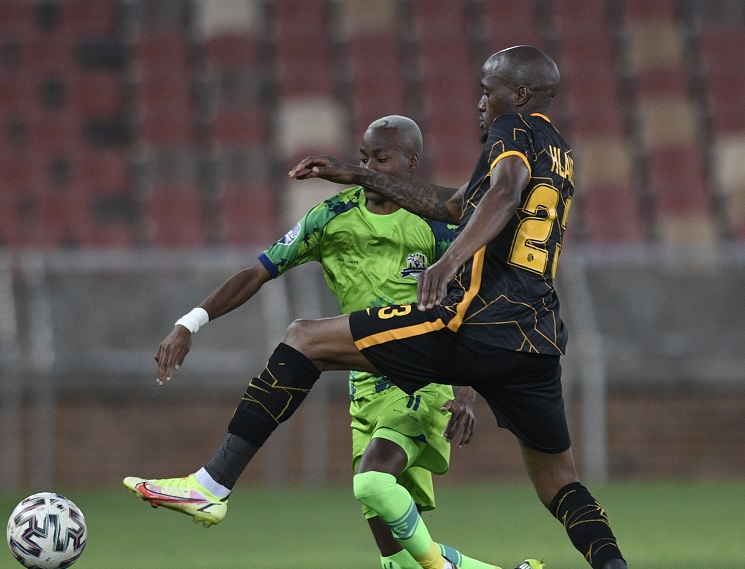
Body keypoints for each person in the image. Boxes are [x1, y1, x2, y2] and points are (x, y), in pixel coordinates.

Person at [124, 115, 542, 569]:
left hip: (421, 386)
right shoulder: (334, 216)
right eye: (364, 158)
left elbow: (469, 306)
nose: (369, 167)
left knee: (364, 468)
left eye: (381, 159)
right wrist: (191, 322)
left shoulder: (438, 225)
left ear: (411, 162)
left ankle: (214, 483)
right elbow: (257, 273)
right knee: (399, 561)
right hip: (365, 390)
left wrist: (465, 390)